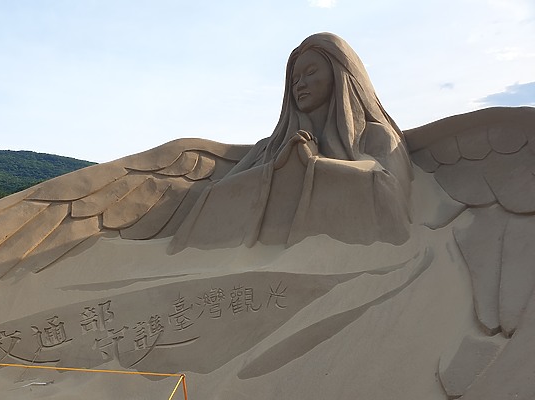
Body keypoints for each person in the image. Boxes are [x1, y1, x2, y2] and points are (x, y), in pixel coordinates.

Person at [170, 32, 413, 252]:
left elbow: (389, 192)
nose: (301, 85)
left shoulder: (377, 137)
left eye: (310, 73)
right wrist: (277, 169)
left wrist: (313, 164)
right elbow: (215, 197)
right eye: (294, 80)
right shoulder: (268, 148)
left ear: (339, 74)